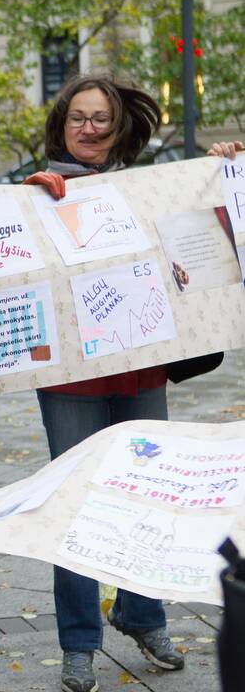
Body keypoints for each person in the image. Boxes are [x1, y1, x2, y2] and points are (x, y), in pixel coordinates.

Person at [23, 74, 243, 692]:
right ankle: (79, 643)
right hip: (71, 379)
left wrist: (220, 167)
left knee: (148, 496)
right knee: (74, 508)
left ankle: (141, 616)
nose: (89, 129)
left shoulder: (149, 189)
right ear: (61, 126)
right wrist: (31, 204)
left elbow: (197, 230)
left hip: (142, 368)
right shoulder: (33, 194)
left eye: (101, 119)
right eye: (78, 118)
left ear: (119, 128)